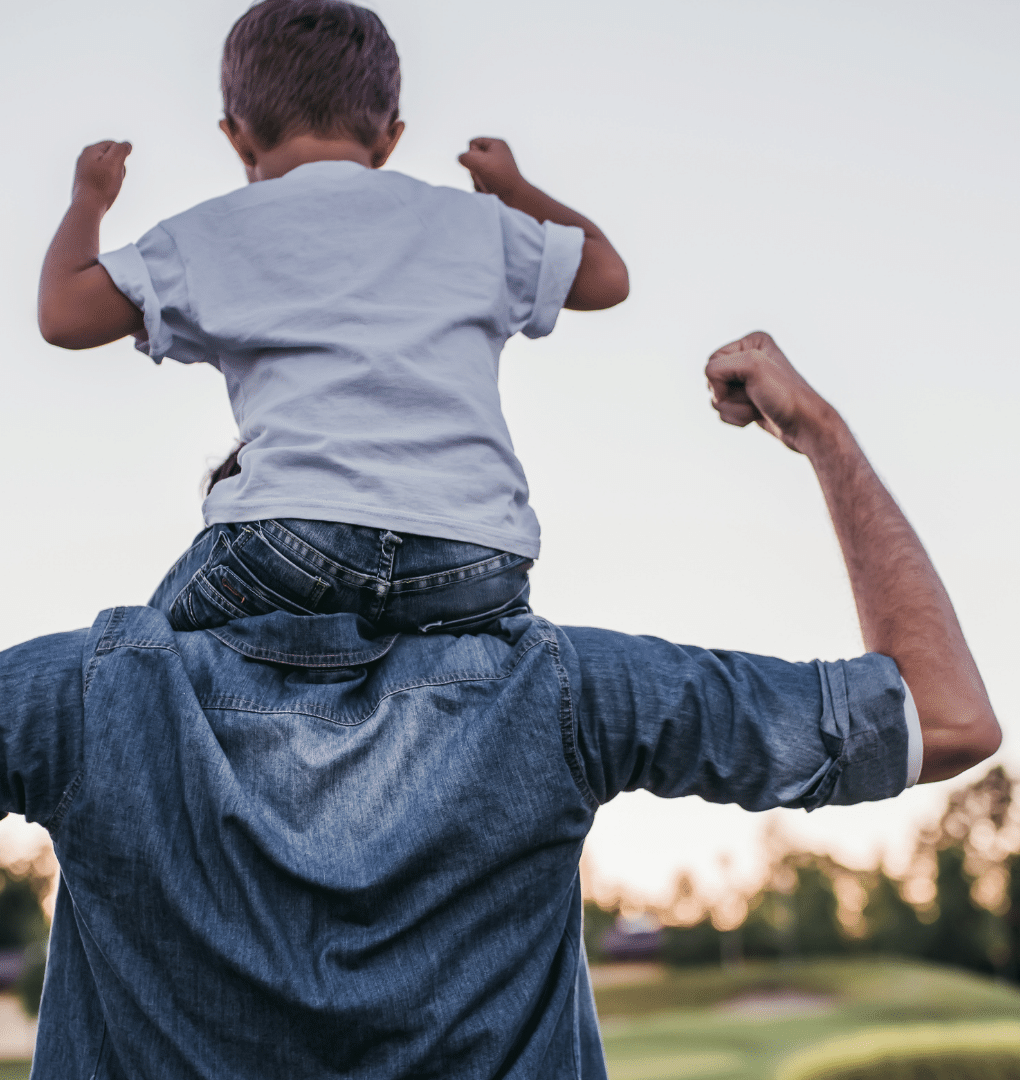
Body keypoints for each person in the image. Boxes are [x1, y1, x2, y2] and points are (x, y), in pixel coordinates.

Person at [0, 332, 1000, 1078]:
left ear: (227, 515)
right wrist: (820, 435)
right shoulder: (561, 691)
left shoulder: (83, 700)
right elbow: (944, 716)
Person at [36, 0, 630, 637]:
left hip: (294, 544)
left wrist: (89, 199)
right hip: (477, 558)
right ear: (389, 139)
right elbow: (606, 276)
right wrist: (512, 188)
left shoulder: (213, 232)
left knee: (139, 657)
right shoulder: (475, 224)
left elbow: (64, 314)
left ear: (236, 134)